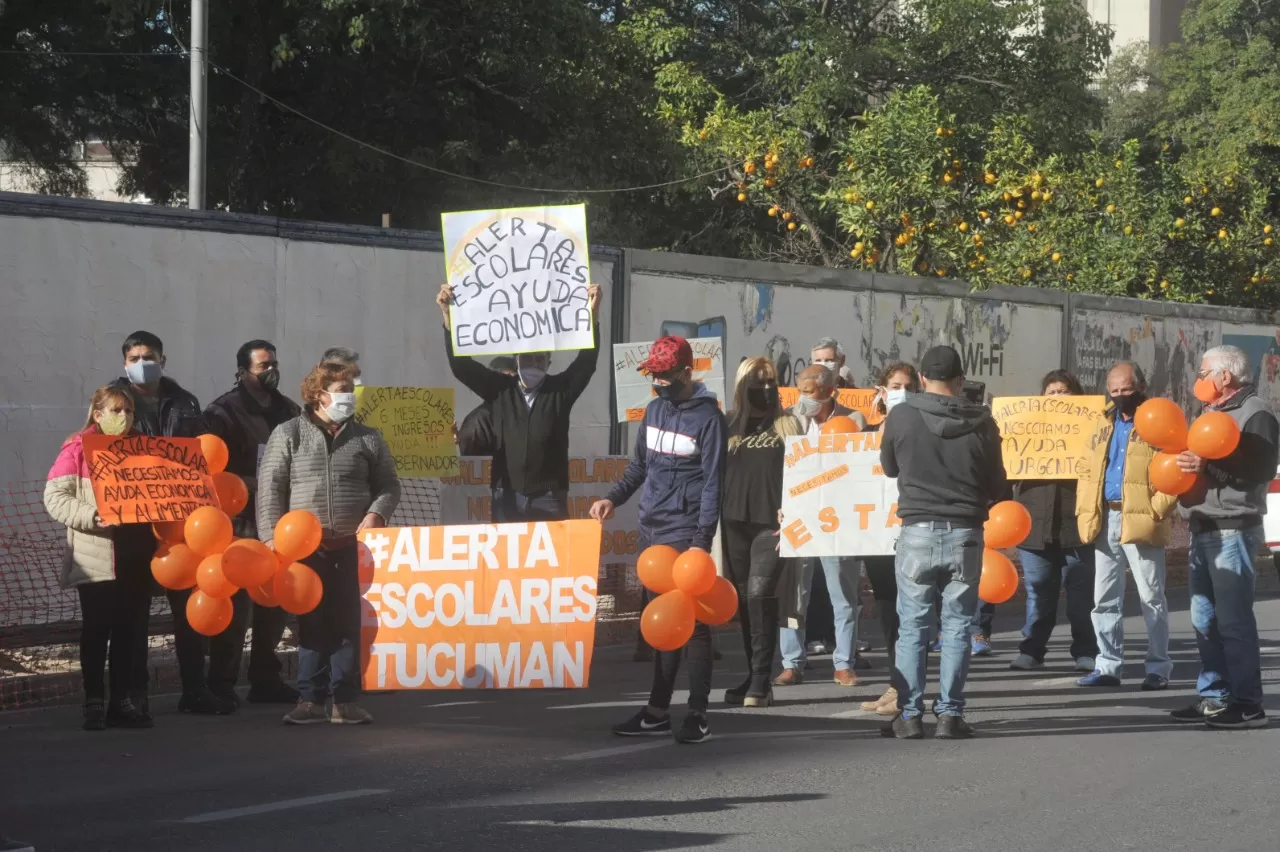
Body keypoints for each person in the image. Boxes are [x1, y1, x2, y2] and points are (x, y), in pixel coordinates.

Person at [593, 335, 726, 744]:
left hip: (687, 532)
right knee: (664, 623)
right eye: (654, 376)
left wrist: (702, 540)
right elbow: (639, 467)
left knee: (696, 625)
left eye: (666, 376)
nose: (660, 383)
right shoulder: (652, 410)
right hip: (652, 530)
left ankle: (699, 714)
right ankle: (657, 712)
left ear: (687, 372)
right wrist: (612, 499)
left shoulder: (710, 419)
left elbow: (713, 484)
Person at [258, 360, 401, 725]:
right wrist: (271, 539)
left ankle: (345, 701)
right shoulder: (288, 433)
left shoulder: (369, 437)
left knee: (349, 622)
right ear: (318, 395)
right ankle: (309, 699)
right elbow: (270, 488)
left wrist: (376, 515)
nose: (349, 398)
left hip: (354, 547)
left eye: (352, 391)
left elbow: (388, 485)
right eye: (342, 392)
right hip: (304, 550)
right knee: (311, 624)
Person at [880, 345, 1005, 739]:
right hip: (965, 532)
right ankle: (950, 714)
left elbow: (888, 467)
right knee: (957, 626)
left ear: (921, 379)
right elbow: (998, 483)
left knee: (913, 627)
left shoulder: (901, 415)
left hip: (917, 529)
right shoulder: (982, 421)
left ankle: (910, 715)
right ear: (960, 380)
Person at [1170, 345, 1278, 729]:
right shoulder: (1212, 413)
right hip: (1203, 525)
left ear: (1224, 377)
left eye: (1203, 373)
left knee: (1233, 623)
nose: (1199, 379)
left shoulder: (1256, 413)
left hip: (1233, 528)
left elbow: (1260, 469)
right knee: (1204, 621)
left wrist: (1209, 463)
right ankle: (1215, 696)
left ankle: (1249, 705)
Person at [436, 282, 602, 522]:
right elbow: (461, 367)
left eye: (540, 360)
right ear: (517, 360)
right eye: (527, 359)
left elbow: (586, 363)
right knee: (509, 560)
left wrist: (593, 314)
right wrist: (448, 316)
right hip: (507, 495)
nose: (534, 365)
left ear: (549, 363)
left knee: (549, 559)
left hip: (549, 496)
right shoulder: (500, 390)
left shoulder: (560, 392)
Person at [43, 387, 155, 729]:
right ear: (98, 414)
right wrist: (93, 516)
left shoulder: (146, 449)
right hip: (96, 556)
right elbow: (55, 496)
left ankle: (121, 702)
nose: (123, 418)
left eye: (129, 411)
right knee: (96, 631)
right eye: (116, 410)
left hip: (136, 555)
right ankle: (93, 701)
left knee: (129, 632)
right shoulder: (77, 449)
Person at [199, 340, 303, 705]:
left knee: (273, 600)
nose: (271, 371)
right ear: (244, 371)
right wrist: (249, 483)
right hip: (237, 521)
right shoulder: (222, 413)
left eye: (274, 363)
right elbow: (210, 469)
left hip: (277, 520)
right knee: (237, 605)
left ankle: (265, 679)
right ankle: (222, 683)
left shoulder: (289, 410)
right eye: (263, 366)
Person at [110, 331, 208, 714]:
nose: (141, 362)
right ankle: (135, 694)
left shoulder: (185, 401)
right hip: (133, 524)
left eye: (148, 355)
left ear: (163, 360)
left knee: (188, 610)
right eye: (133, 356)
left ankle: (195, 689)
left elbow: (202, 453)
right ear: (124, 363)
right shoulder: (113, 401)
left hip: (181, 524)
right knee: (133, 612)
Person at [1075, 361, 1175, 690]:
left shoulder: (1159, 421)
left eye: (1126, 389)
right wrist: (1086, 511)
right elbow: (1087, 471)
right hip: (1106, 517)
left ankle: (1158, 668)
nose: (1120, 396)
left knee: (1151, 597)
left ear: (1141, 386)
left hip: (1141, 518)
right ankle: (1108, 667)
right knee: (1104, 598)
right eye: (1114, 390)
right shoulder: (1102, 422)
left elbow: (1175, 472)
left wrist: (1154, 510)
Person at [774, 364, 867, 687]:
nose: (804, 399)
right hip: (799, 517)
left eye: (810, 393)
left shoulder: (854, 421)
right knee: (793, 593)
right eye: (800, 391)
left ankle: (844, 663)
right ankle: (791, 662)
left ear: (830, 392)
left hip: (837, 520)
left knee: (842, 593)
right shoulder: (789, 420)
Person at [717, 357, 801, 706]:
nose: (765, 387)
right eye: (757, 380)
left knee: (759, 595)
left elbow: (804, 476)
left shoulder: (788, 425)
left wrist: (796, 512)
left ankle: (761, 681)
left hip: (772, 526)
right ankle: (754, 675)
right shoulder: (727, 427)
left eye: (771, 380)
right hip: (734, 522)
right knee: (744, 602)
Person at [1008, 370, 1099, 673]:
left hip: (1078, 524)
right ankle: (1032, 650)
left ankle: (1086, 650)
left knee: (1080, 595)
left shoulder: (1094, 427)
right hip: (1033, 524)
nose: (1057, 398)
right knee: (1038, 590)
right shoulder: (1025, 427)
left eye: (1064, 392)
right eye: (1051, 392)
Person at [860, 361, 919, 715]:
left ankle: (906, 688)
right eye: (895, 385)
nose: (902, 391)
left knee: (909, 611)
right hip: (876, 536)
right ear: (882, 391)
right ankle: (895, 682)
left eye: (908, 385)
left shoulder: (921, 427)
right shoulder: (866, 432)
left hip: (909, 531)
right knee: (886, 609)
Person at [455, 356, 517, 457]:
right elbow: (475, 466)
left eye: (515, 381)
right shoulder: (477, 422)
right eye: (505, 380)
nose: (511, 387)